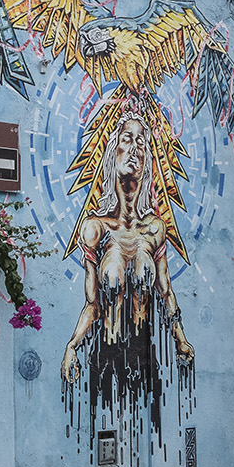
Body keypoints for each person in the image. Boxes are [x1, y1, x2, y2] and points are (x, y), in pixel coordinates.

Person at [60, 110, 193, 385]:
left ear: (147, 161)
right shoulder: (95, 230)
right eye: (127, 139)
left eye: (141, 142)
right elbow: (92, 304)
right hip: (105, 364)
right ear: (113, 153)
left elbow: (166, 292)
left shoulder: (155, 229)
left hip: (144, 365)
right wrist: (72, 346)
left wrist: (181, 340)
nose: (134, 147)